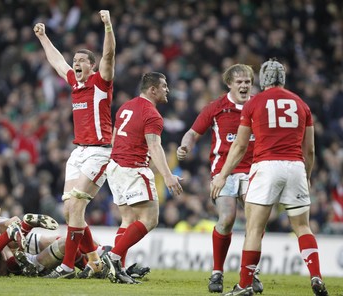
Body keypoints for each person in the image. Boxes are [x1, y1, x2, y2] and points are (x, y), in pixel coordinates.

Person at [210, 58, 328, 296]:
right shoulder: (301, 104)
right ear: (283, 79)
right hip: (295, 166)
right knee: (303, 227)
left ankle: (244, 285)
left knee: (253, 229)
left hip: (266, 166)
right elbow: (311, 150)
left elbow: (241, 146)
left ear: (262, 80)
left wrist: (222, 175)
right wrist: (307, 175)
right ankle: (316, 276)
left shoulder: (255, 103)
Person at [33, 9, 116, 279]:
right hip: (78, 151)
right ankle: (94, 260)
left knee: (77, 206)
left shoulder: (100, 82)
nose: (76, 64)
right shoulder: (74, 84)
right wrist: (44, 37)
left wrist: (107, 26)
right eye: (75, 60)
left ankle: (67, 266)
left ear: (92, 66)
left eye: (81, 61)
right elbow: (57, 62)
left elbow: (109, 55)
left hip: (99, 152)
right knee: (69, 211)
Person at [176, 64, 263, 294]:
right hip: (224, 172)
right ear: (229, 84)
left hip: (254, 171)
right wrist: (185, 146)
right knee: (227, 218)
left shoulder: (259, 105)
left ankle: (250, 274)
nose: (244, 86)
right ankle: (217, 272)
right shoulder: (216, 107)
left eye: (248, 82)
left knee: (256, 222)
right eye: (240, 82)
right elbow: (193, 133)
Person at [102, 72, 183, 284]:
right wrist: (167, 176)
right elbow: (154, 146)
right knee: (150, 219)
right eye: (164, 86)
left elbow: (114, 136)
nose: (168, 90)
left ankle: (117, 267)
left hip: (115, 166)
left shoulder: (125, 106)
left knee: (128, 220)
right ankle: (113, 257)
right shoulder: (152, 115)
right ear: (152, 89)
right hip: (133, 167)